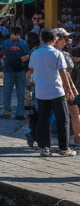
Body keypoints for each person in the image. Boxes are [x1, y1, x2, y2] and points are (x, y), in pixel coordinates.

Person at [28, 28, 75, 157]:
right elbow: (63, 73)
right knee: (63, 119)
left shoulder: (35, 53)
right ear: (54, 39)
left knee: (43, 120)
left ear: (42, 39)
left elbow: (31, 70)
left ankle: (44, 148)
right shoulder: (57, 54)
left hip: (41, 92)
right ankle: (63, 147)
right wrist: (68, 89)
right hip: (56, 91)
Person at [0, 26, 30, 120]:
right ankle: (15, 113)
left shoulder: (21, 43)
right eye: (13, 35)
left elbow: (1, 54)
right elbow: (27, 56)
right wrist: (21, 61)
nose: (15, 37)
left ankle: (13, 112)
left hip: (16, 71)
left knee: (15, 93)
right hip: (12, 71)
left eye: (16, 35)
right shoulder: (22, 43)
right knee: (13, 93)